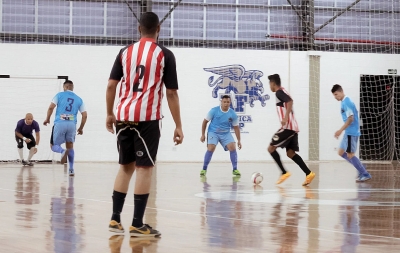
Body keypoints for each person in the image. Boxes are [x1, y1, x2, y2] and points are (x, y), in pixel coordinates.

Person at [106, 12, 183, 237]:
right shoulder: (165, 54)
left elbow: (111, 85)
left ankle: (114, 219)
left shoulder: (124, 52)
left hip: (122, 115)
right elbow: (171, 93)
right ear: (158, 29)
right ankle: (138, 223)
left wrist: (110, 114)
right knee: (144, 168)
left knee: (125, 167)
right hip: (147, 119)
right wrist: (178, 125)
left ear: (139, 29)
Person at [267, 74, 315, 186]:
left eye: (270, 83)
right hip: (293, 128)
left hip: (287, 128)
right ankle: (309, 173)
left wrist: (285, 117)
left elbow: (290, 101)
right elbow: (289, 101)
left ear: (273, 83)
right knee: (290, 153)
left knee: (271, 148)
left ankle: (284, 172)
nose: (269, 86)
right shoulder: (283, 91)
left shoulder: (279, 92)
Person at [43, 80, 87, 176]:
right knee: (70, 146)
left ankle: (62, 151)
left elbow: (51, 108)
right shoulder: (79, 99)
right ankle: (71, 170)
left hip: (60, 123)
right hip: (72, 125)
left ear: (64, 87)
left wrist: (47, 119)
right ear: (72, 87)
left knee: (53, 146)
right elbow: (84, 115)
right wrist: (81, 128)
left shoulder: (59, 95)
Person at [331, 84, 372, 182]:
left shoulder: (347, 102)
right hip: (348, 132)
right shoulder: (343, 102)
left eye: (336, 94)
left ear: (341, 91)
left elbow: (350, 119)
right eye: (334, 95)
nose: (335, 97)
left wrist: (340, 130)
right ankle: (360, 166)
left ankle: (365, 174)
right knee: (341, 152)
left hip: (352, 132)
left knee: (350, 155)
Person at [200, 95, 242, 177]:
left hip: (226, 133)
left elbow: (236, 128)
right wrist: (203, 135)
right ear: (221, 102)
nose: (226, 104)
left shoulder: (233, 114)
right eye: (224, 102)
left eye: (228, 102)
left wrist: (239, 140)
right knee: (211, 147)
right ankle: (204, 169)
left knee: (232, 146)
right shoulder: (214, 111)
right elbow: (205, 122)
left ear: (230, 103)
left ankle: (235, 169)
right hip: (213, 132)